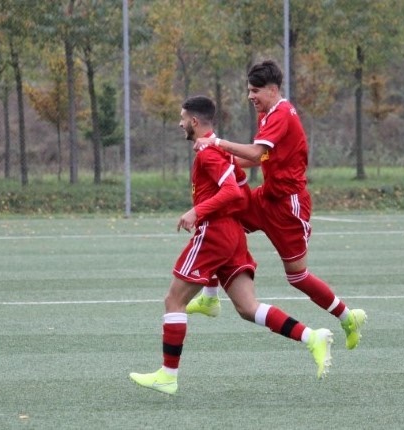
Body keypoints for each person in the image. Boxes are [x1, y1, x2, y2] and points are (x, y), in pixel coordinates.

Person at [129, 95, 334, 395]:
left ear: (194, 122)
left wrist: (197, 211)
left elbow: (235, 195)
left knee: (174, 301)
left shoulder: (209, 154)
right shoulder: (217, 150)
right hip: (232, 236)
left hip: (215, 234)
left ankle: (168, 375)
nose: (179, 123)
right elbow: (240, 185)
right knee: (248, 308)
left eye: (182, 118)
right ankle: (311, 337)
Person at [189, 60, 367, 350]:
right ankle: (210, 296)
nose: (250, 96)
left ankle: (348, 317)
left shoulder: (282, 113)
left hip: (288, 207)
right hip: (267, 197)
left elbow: (256, 152)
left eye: (255, 90)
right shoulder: (268, 112)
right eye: (249, 90)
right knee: (220, 218)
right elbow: (257, 159)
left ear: (272, 90)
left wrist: (216, 143)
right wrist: (220, 158)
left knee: (297, 276)